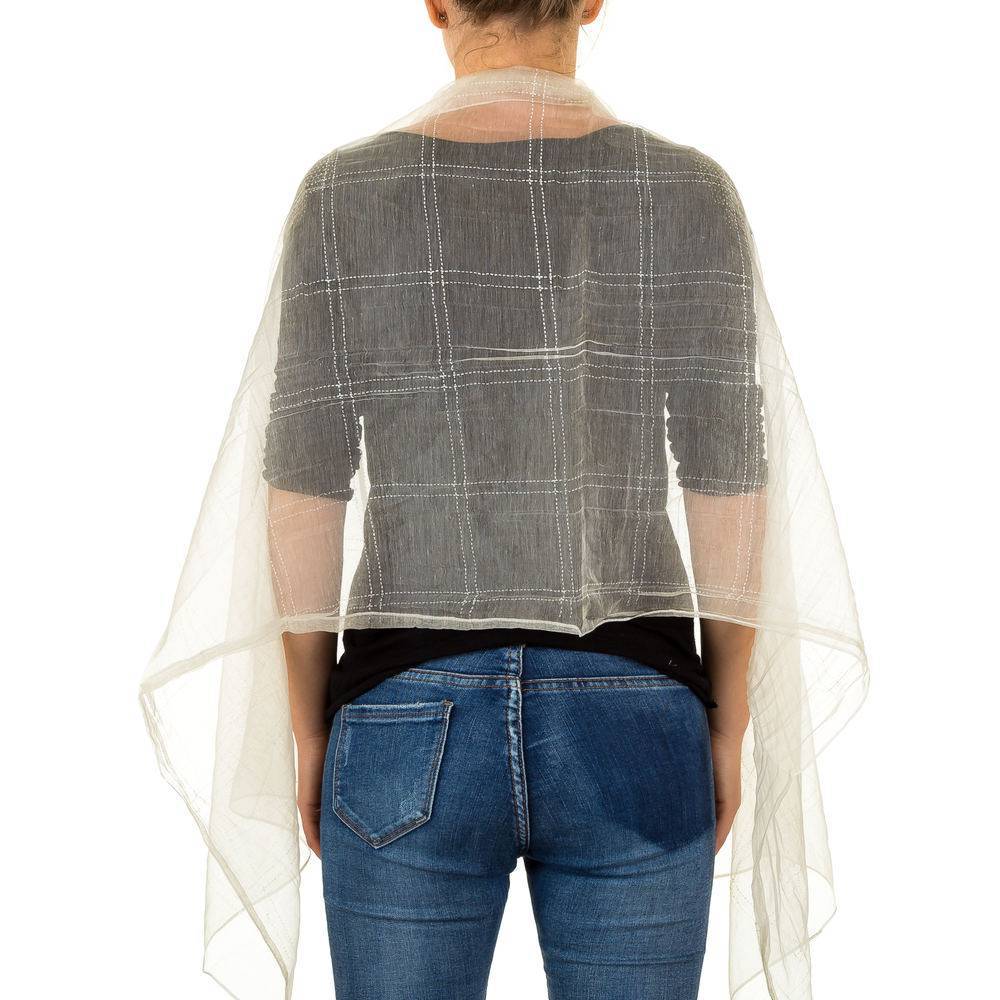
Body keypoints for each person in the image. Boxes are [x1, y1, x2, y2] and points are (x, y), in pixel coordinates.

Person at [141, 1, 868, 998]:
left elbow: (305, 480)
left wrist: (308, 729)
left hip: (404, 715)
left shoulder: (346, 195)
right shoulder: (685, 192)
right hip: (637, 705)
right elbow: (727, 472)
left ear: (437, 3)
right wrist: (729, 718)